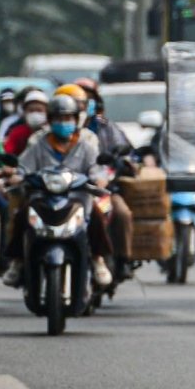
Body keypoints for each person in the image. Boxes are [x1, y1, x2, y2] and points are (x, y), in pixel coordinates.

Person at [2, 93, 115, 290]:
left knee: (97, 215)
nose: (63, 123)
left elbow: (96, 169)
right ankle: (17, 262)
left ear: (75, 120)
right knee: (22, 215)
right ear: (50, 121)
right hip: (43, 198)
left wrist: (99, 178)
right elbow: (23, 167)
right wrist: (17, 176)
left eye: (67, 118)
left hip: (78, 198)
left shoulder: (86, 145)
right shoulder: (39, 143)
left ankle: (98, 259)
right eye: (58, 119)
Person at [70, 79, 136, 270]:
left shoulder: (104, 126)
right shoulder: (54, 131)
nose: (82, 105)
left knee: (121, 213)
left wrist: (121, 164)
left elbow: (126, 151)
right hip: (66, 189)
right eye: (77, 101)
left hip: (100, 188)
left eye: (87, 100)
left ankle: (121, 259)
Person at [3, 89, 49, 159]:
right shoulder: (18, 132)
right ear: (25, 113)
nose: (35, 114)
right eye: (31, 110)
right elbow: (8, 152)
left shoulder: (52, 133)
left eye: (39, 110)